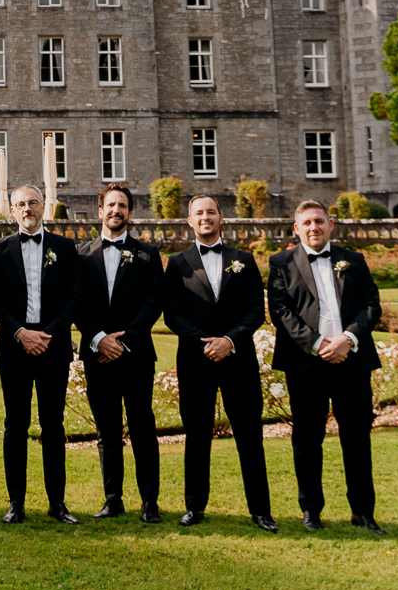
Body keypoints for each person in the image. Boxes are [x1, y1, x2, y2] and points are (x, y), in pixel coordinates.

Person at [267, 199, 385, 535]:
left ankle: (363, 512)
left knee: (357, 438)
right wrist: (318, 345)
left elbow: (370, 306)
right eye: (306, 223)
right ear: (296, 229)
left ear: (330, 224)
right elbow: (280, 312)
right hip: (306, 366)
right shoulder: (281, 263)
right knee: (306, 439)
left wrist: (347, 339)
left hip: (352, 361)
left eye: (319, 221)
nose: (313, 227)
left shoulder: (354, 260)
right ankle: (310, 511)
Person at [162, 194, 275, 531]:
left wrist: (230, 340)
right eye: (199, 213)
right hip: (196, 361)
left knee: (249, 434)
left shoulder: (244, 259)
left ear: (221, 218)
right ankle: (194, 507)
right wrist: (203, 342)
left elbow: (256, 310)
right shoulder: (178, 263)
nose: (205, 217)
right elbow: (172, 314)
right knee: (197, 435)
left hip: (238, 359)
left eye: (211, 212)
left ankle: (261, 510)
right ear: (190, 221)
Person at [0, 183, 81, 524]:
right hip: (15, 348)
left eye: (33, 203)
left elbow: (74, 296)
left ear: (44, 208)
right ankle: (16, 503)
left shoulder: (65, 248)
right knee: (16, 425)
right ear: (12, 211)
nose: (27, 209)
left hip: (53, 348)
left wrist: (49, 333)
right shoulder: (0, 249)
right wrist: (20, 332)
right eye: (20, 204)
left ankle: (57, 503)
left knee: (53, 424)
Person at [75, 182, 166, 523]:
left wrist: (123, 341)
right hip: (97, 356)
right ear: (100, 211)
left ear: (130, 212)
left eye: (122, 206)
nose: (116, 210)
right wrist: (99, 338)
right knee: (107, 431)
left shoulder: (147, 255)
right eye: (110, 205)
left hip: (137, 356)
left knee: (143, 428)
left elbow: (154, 302)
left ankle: (149, 503)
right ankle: (113, 499)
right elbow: (76, 303)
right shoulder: (80, 255)